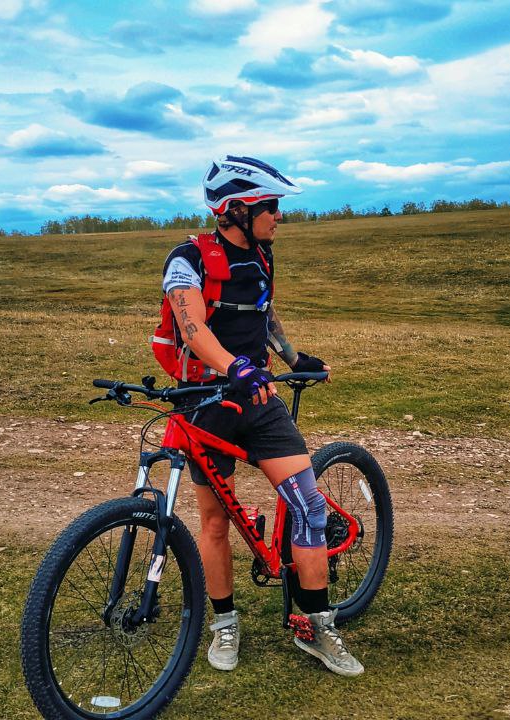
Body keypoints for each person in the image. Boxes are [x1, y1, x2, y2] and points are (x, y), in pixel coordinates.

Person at [160, 155, 363, 677]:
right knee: (214, 522)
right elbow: (192, 328)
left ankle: (317, 626)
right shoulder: (187, 259)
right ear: (235, 210)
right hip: (204, 403)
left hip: (257, 398)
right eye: (270, 206)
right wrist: (234, 367)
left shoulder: (262, 255)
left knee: (307, 505)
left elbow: (264, 313)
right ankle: (225, 623)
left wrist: (293, 359)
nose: (279, 216)